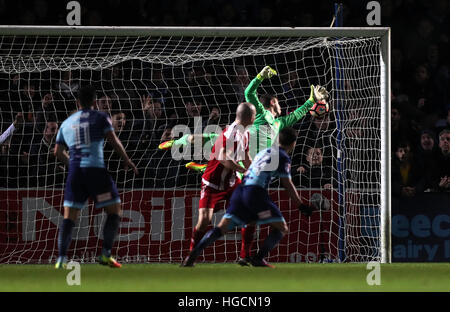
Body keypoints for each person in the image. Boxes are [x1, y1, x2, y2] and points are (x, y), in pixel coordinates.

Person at [160, 66, 329, 264]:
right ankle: (180, 143)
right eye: (278, 102)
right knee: (207, 139)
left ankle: (243, 255)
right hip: (241, 162)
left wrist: (311, 101)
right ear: (272, 103)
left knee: (247, 216)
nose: (281, 105)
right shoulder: (259, 115)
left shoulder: (278, 124)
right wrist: (259, 77)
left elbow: (297, 115)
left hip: (247, 167)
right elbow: (249, 93)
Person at [181, 127, 313, 268]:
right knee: (281, 228)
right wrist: (301, 205)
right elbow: (288, 184)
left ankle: (192, 256)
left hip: (241, 190)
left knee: (223, 227)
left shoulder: (265, 152)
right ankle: (258, 258)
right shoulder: (283, 157)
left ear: (278, 139)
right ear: (293, 144)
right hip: (255, 194)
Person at [53, 85, 138, 269]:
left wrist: (73, 165)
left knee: (70, 216)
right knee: (114, 211)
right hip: (96, 172)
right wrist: (127, 160)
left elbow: (58, 152)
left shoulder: (67, 122)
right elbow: (113, 140)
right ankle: (106, 254)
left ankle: (61, 259)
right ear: (94, 102)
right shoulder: (101, 117)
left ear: (77, 102)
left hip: (76, 173)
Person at [188, 102, 255, 258]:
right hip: (212, 183)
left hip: (231, 183)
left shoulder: (245, 132)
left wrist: (254, 172)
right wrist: (243, 170)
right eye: (254, 114)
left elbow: (245, 155)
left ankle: (245, 256)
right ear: (249, 117)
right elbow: (223, 157)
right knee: (205, 221)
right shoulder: (230, 134)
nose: (255, 116)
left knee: (250, 214)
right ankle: (192, 253)